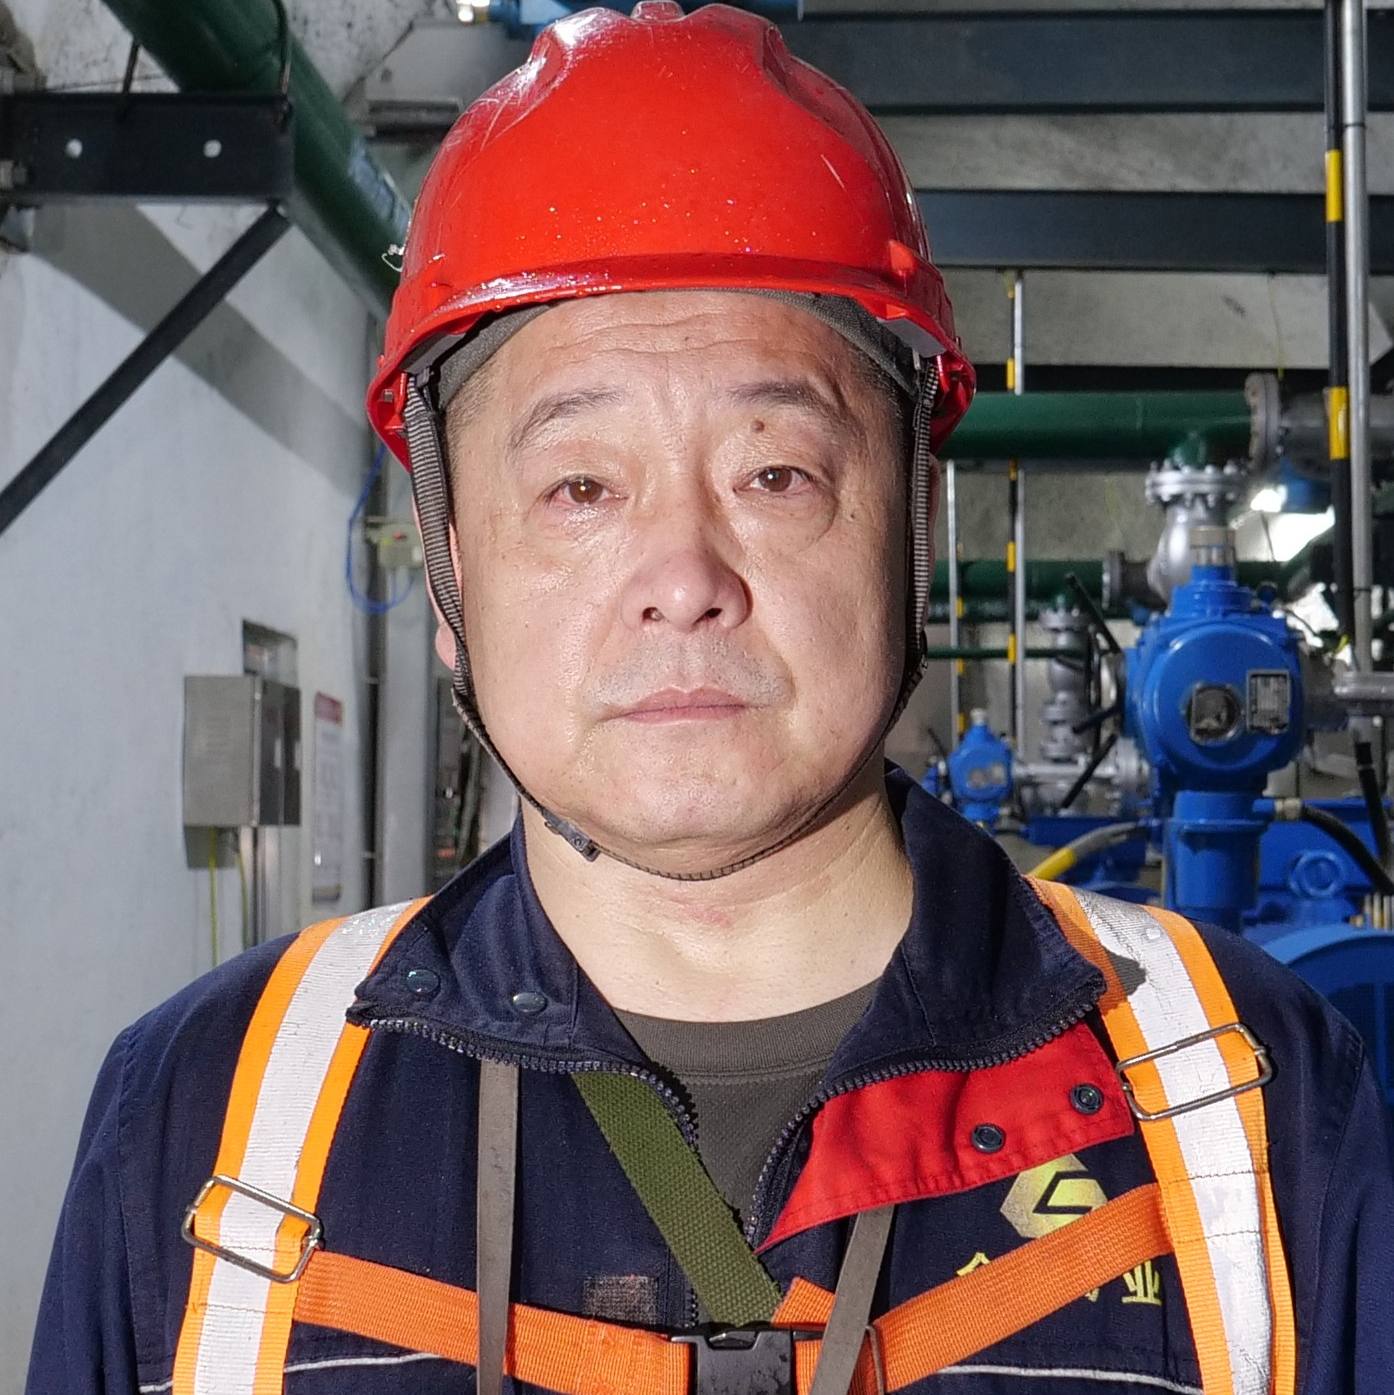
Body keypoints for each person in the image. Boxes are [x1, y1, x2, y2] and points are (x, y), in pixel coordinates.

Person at [27, 5, 1394, 1393]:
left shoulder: (1252, 1100)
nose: (682, 579)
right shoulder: (208, 1122)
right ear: (450, 576)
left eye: (775, 474)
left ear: (910, 533)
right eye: (579, 487)